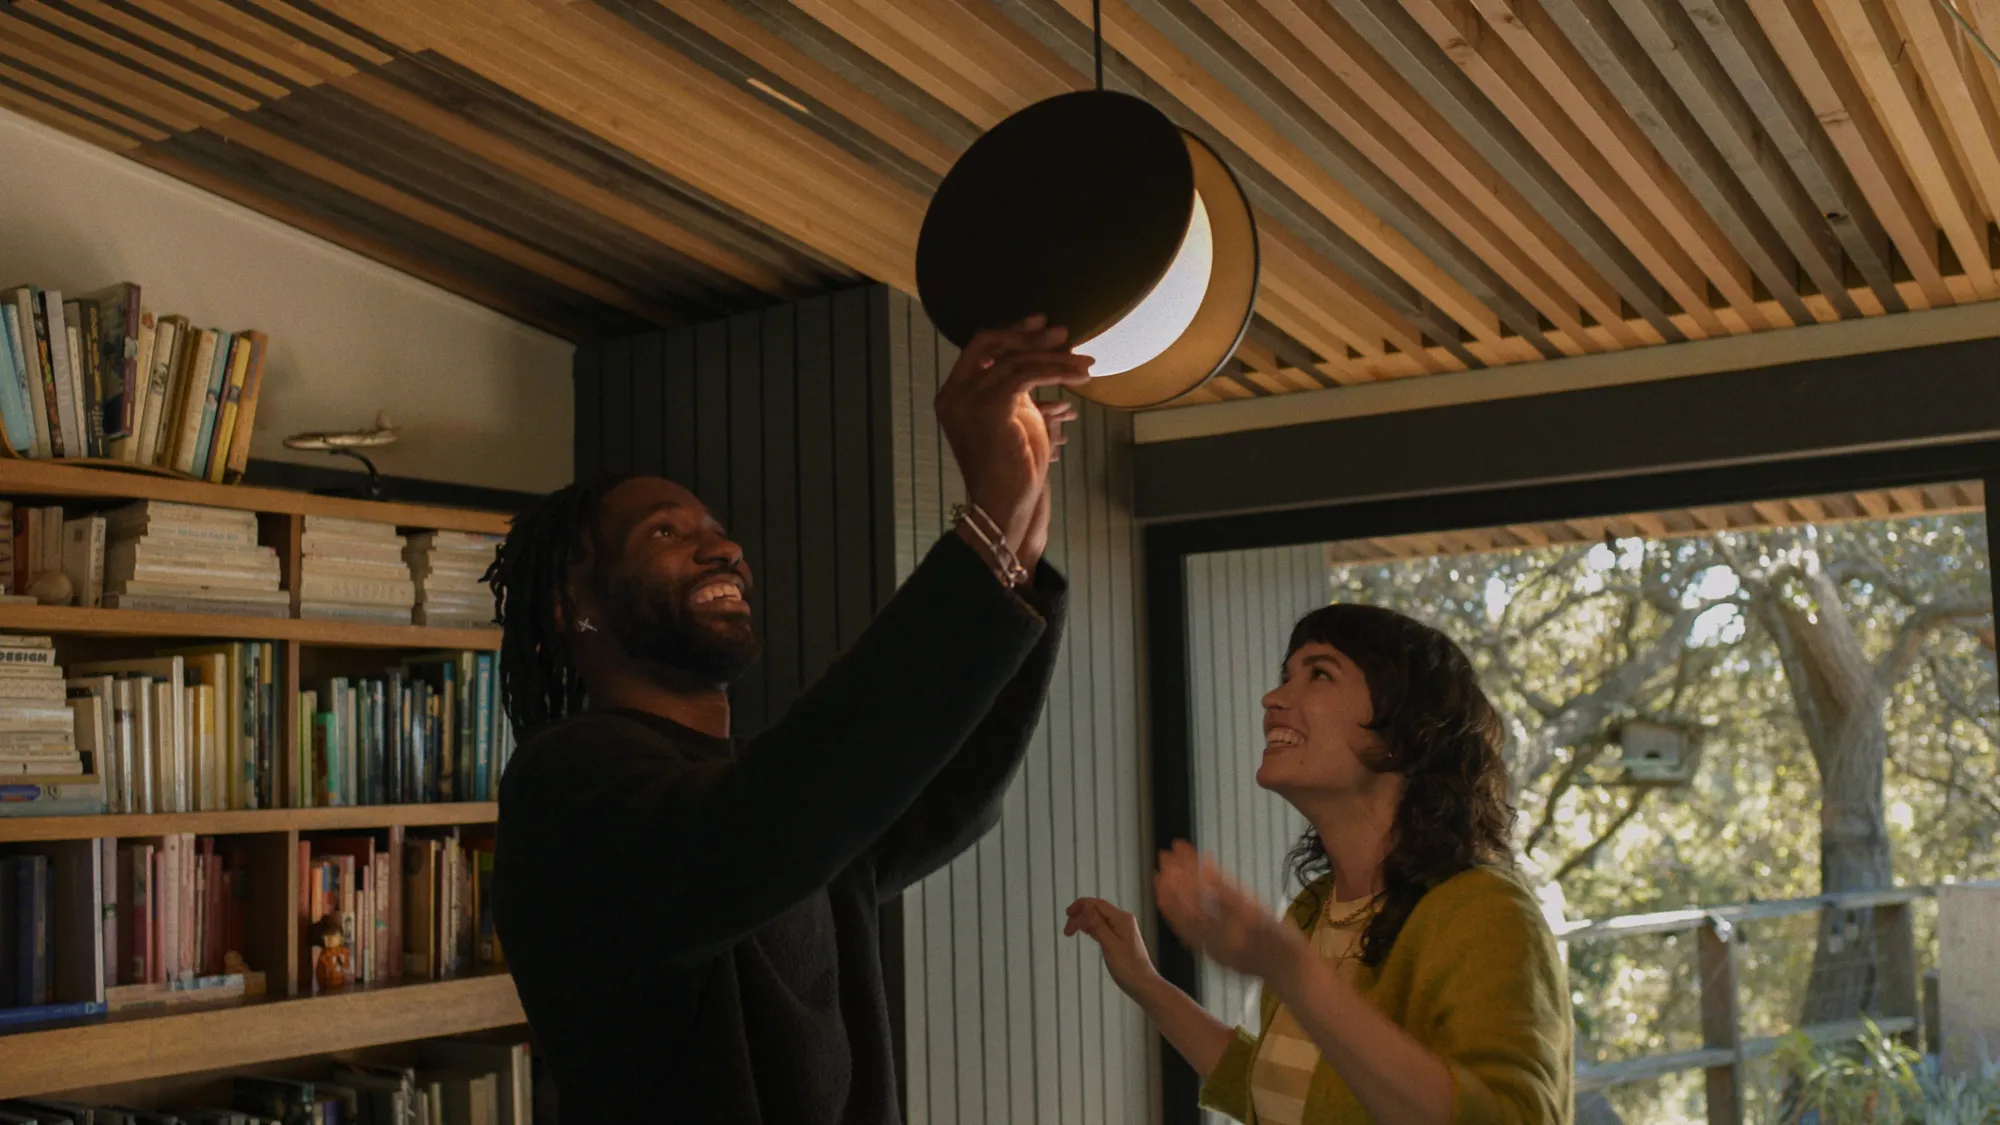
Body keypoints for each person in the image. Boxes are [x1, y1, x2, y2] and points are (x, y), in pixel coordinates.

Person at [489, 316, 1088, 1122]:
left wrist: (1018, 541)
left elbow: (949, 789)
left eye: (717, 531)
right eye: (664, 532)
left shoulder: (757, 799)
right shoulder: (565, 782)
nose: (722, 549)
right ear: (571, 606)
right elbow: (777, 816)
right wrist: (984, 530)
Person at [1068, 604, 1571, 1125]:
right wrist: (1145, 982)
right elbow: (1282, 1093)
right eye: (1286, 676)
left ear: (1403, 732)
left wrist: (1288, 967)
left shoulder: (1486, 913)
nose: (1272, 699)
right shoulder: (1314, 911)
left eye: (1320, 674)